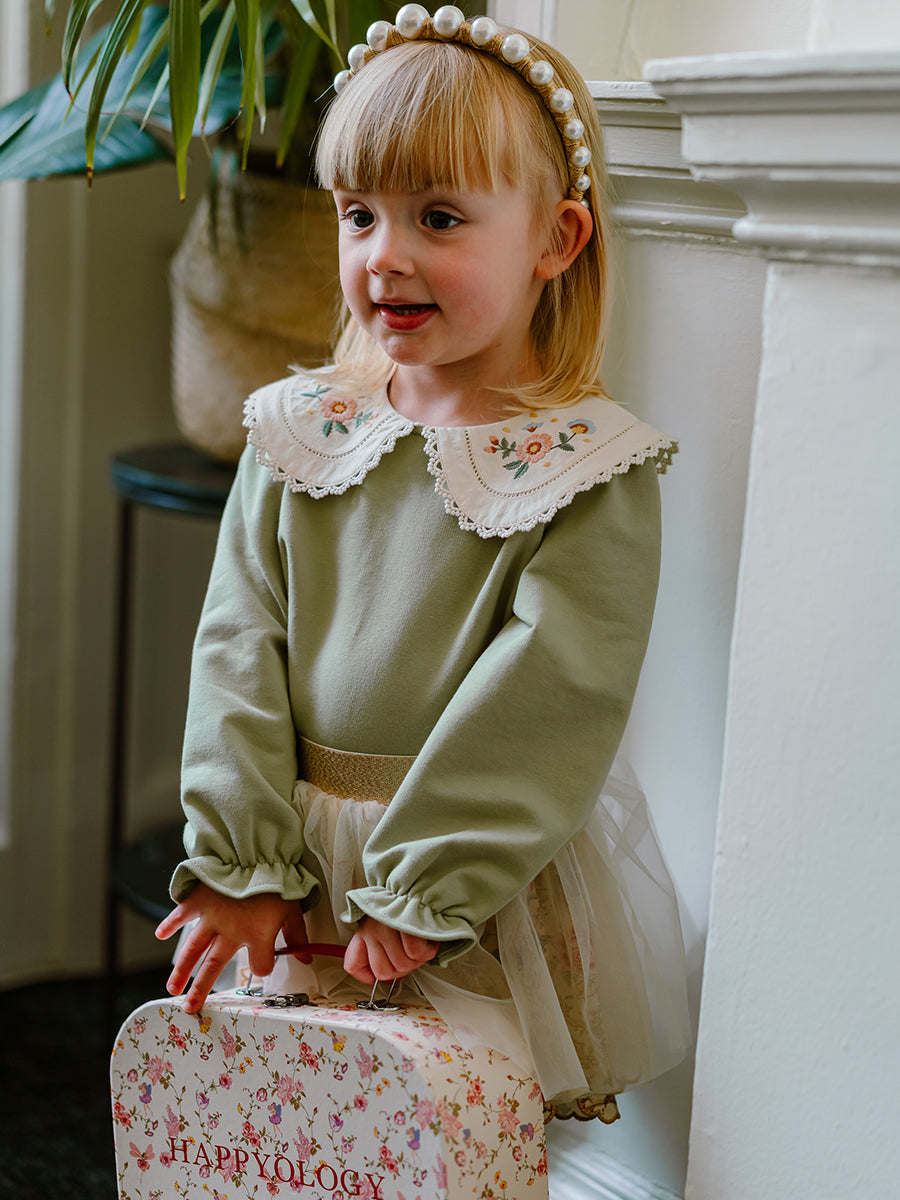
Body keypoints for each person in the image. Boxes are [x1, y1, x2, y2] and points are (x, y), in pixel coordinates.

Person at [156, 5, 690, 1120]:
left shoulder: (586, 467)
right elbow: (237, 637)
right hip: (298, 856)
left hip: (467, 880)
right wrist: (242, 854)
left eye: (437, 217)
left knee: (455, 1133)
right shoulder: (299, 430)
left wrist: (431, 880)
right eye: (359, 214)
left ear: (556, 241)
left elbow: (555, 686)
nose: (384, 255)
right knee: (293, 1126)